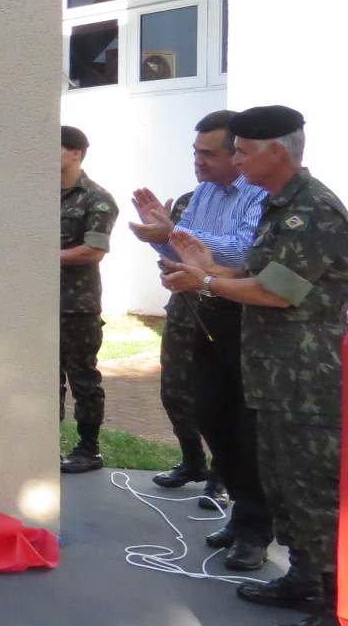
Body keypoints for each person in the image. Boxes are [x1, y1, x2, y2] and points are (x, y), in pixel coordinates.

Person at [161, 105, 348, 626]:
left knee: (313, 491)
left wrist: (207, 283)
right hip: (274, 373)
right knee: (284, 483)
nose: (236, 160)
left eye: (242, 151)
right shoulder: (278, 205)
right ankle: (304, 580)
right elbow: (251, 273)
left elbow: (277, 291)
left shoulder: (313, 211)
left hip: (306, 379)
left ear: (277, 152)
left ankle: (333, 614)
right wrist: (206, 264)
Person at [129, 110, 269, 569]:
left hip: (251, 317)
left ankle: (255, 528)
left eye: (208, 153)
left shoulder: (259, 193)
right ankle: (239, 511)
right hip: (207, 311)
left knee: (249, 426)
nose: (198, 162)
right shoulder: (205, 193)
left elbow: (244, 253)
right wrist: (161, 236)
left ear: (238, 155)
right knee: (210, 412)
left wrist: (176, 233)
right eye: (195, 152)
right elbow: (189, 254)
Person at [58, 126, 119, 474]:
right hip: (40, 305)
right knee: (45, 380)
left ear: (76, 153)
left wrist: (45, 255)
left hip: (77, 306)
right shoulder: (39, 193)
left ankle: (88, 448)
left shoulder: (97, 198)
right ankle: (44, 444)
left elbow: (94, 250)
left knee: (83, 379)